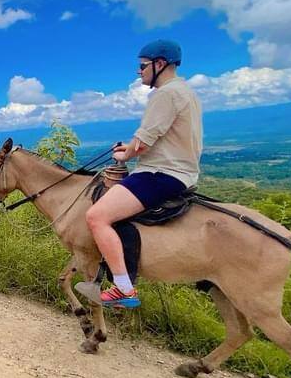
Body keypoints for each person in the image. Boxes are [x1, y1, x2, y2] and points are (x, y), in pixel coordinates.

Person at [83, 40, 203, 308]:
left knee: (96, 217)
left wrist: (125, 154)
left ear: (159, 64)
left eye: (142, 66)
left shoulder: (165, 94)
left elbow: (145, 140)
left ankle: (123, 289)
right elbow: (160, 138)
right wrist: (130, 148)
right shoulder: (186, 92)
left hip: (161, 173)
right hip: (177, 169)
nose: (139, 72)